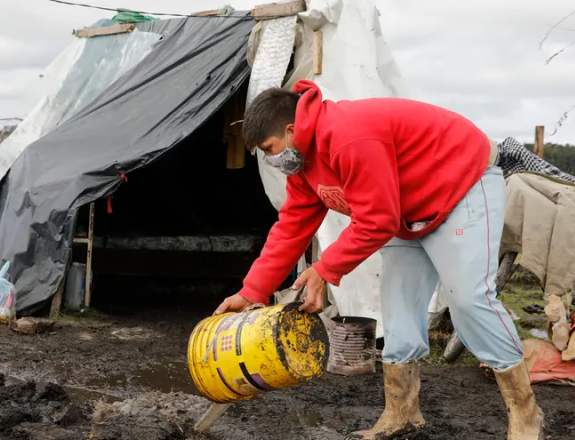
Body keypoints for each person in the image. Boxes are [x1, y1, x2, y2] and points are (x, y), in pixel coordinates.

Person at [213, 81, 544, 440]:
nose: (272, 160)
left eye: (269, 149)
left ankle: (526, 415)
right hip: (407, 209)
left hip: (461, 186)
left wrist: (325, 269)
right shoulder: (304, 164)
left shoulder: (348, 135)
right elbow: (292, 225)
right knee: (399, 310)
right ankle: (401, 414)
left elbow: (377, 219)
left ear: (291, 131)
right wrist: (251, 292)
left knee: (469, 299)